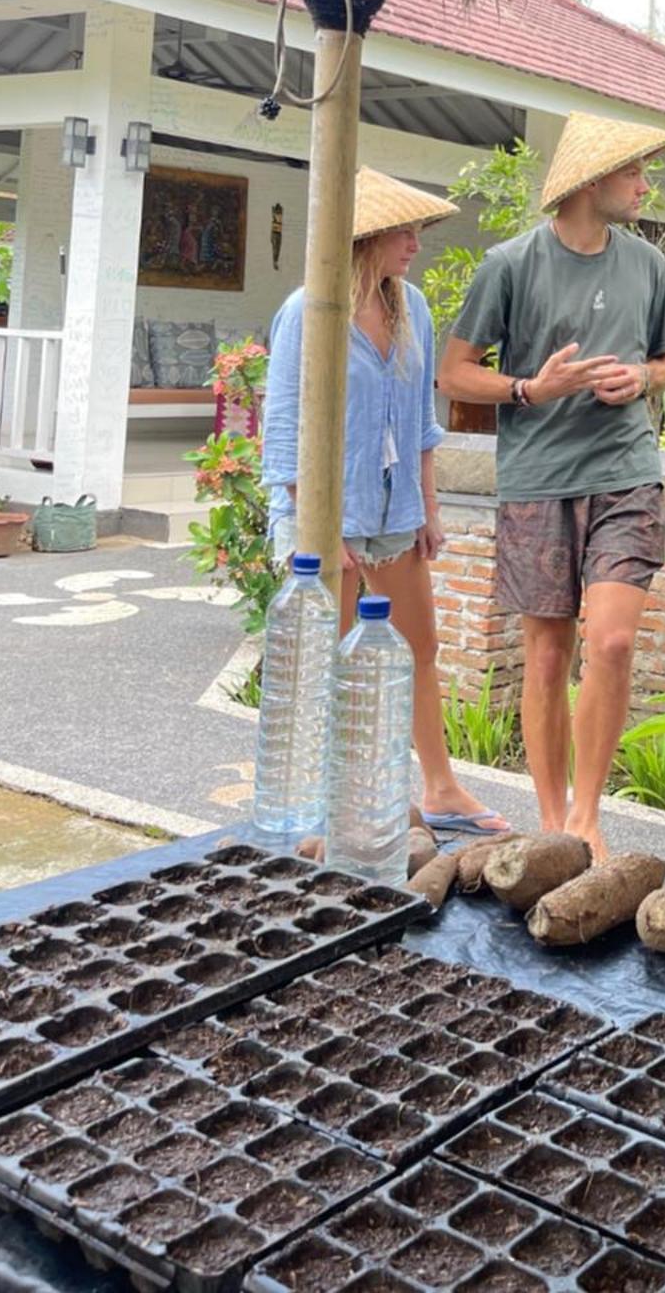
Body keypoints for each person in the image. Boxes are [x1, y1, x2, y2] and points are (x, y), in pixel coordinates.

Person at [438, 113, 665, 860]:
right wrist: (529, 389)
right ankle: (552, 820)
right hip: (539, 480)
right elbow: (456, 371)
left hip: (625, 473)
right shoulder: (510, 265)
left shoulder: (647, 267)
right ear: (591, 181)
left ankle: (587, 815)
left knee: (608, 641)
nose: (645, 186)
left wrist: (639, 376)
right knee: (545, 657)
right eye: (634, 173)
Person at [262, 167, 508, 836]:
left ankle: (441, 788)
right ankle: (342, 798)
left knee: (417, 648)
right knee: (333, 659)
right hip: (325, 514)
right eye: (405, 231)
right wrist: (317, 526)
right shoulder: (309, 309)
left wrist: (428, 508)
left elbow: (421, 422)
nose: (416, 244)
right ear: (367, 237)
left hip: (395, 509)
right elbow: (284, 427)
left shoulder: (415, 309)